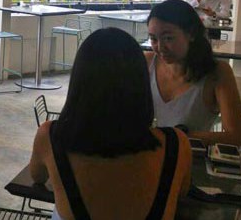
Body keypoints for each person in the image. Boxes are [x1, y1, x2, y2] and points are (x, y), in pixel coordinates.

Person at [29, 28, 192, 220]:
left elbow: (37, 176)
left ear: (79, 82)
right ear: (140, 83)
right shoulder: (176, 144)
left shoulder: (51, 137)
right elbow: (181, 191)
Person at [146, 0, 241, 146]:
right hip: (152, 155)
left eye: (168, 38)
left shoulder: (217, 73)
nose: (160, 47)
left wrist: (171, 137)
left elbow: (237, 138)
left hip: (193, 158)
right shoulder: (147, 62)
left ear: (191, 34)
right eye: (153, 39)